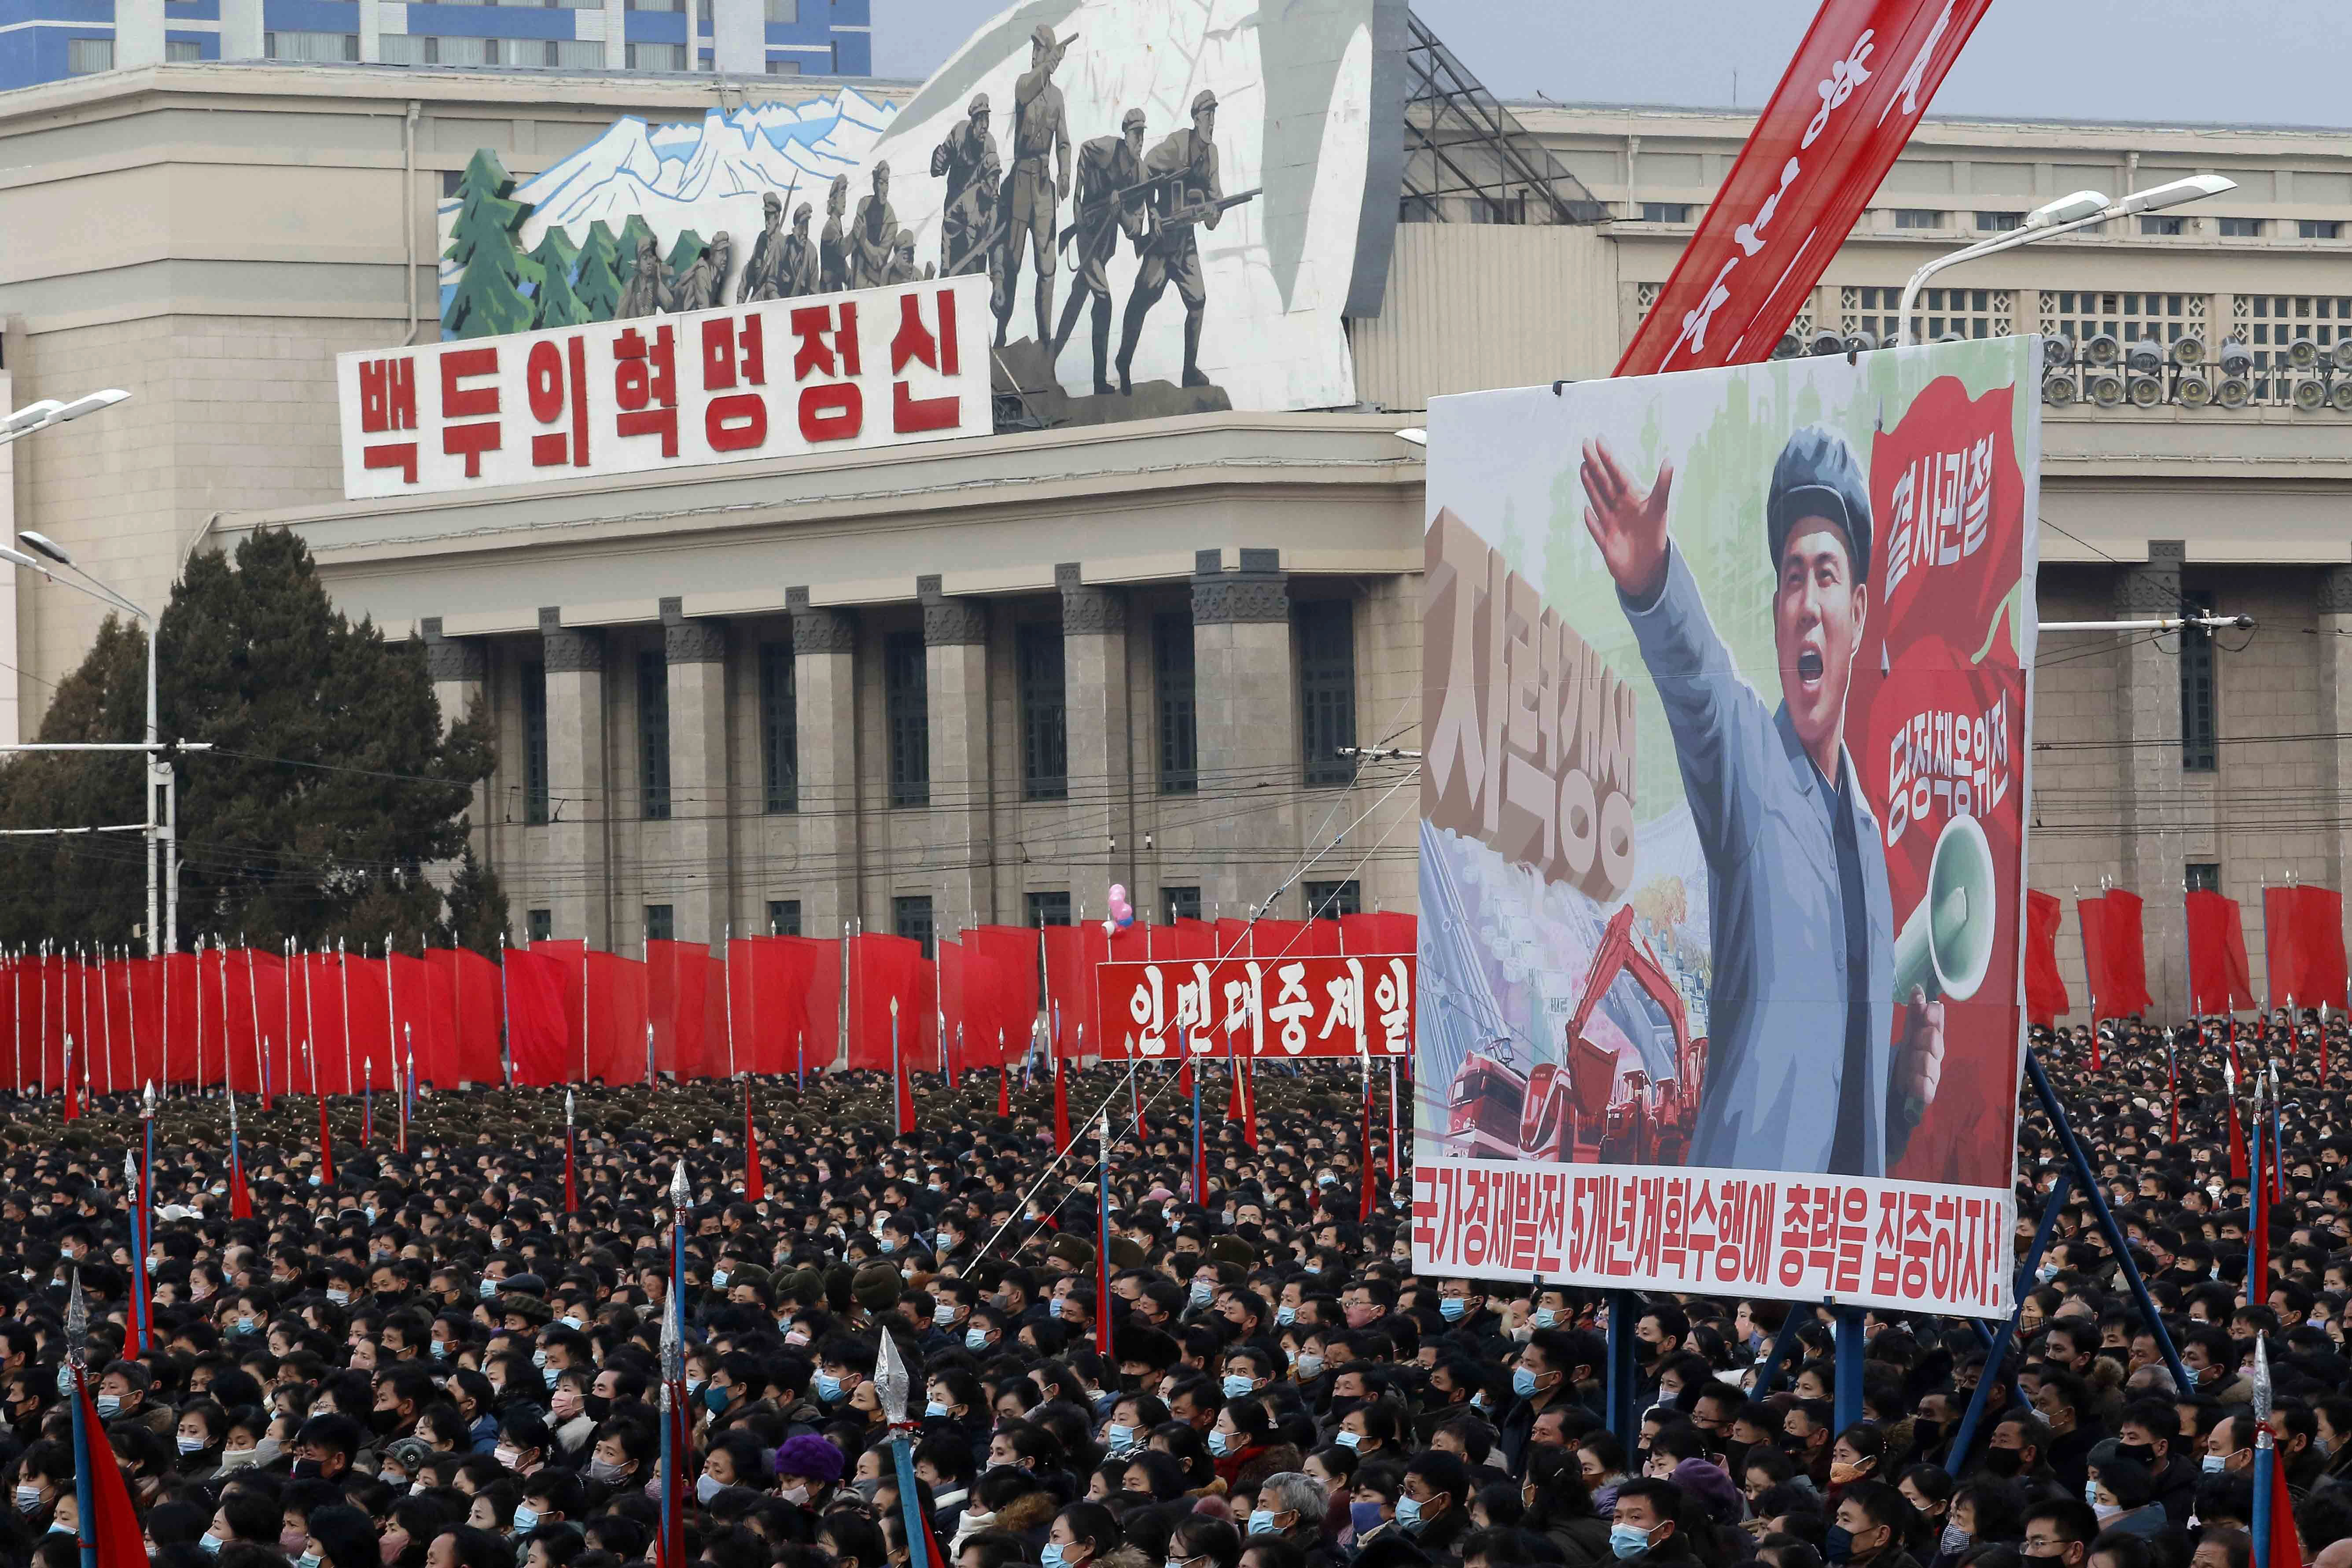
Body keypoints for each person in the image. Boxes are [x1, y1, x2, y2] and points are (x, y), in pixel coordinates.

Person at [1579, 424, 1945, 1173]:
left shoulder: (1869, 842)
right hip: (1744, 1251)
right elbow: (1700, 684)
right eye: (1791, 577)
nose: (1807, 602)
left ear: (1860, 608)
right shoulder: (1750, 766)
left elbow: (1848, 1120)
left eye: (1825, 574)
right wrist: (1652, 584)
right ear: (1777, 609)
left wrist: (1902, 1099)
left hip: (1840, 1259)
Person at [1115, 90, 1225, 395]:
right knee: (1141, 301)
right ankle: (1123, 363)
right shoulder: (1178, 143)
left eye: (1214, 115)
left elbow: (1215, 203)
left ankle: (1189, 372)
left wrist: (1212, 213)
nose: (1212, 122)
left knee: (1198, 302)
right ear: (1196, 118)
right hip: (1163, 241)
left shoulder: (1212, 154)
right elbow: (1146, 168)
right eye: (1207, 116)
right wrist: (1152, 213)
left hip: (1185, 243)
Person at [994, 22, 1073, 348]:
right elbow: (1025, 91)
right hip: (1020, 186)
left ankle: (1045, 339)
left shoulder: (1057, 98)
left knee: (1047, 267)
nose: (1034, 53)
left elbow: (1064, 142)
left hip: (1043, 189)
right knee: (1012, 263)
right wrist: (1047, 66)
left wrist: (1065, 172)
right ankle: (1001, 334)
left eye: (1040, 48)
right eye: (1035, 48)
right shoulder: (1024, 84)